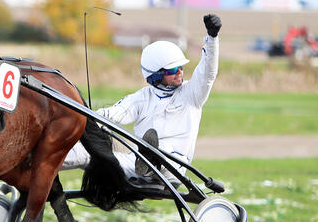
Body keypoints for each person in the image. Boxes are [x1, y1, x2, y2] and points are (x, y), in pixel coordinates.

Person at [63, 14, 222, 184]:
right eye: (173, 69)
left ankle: (152, 157)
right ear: (156, 75)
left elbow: (207, 74)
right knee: (84, 153)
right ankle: (35, 160)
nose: (180, 72)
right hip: (136, 162)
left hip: (173, 167)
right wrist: (81, 120)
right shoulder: (142, 98)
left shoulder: (192, 94)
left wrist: (212, 39)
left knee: (160, 151)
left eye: (181, 67)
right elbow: (114, 114)